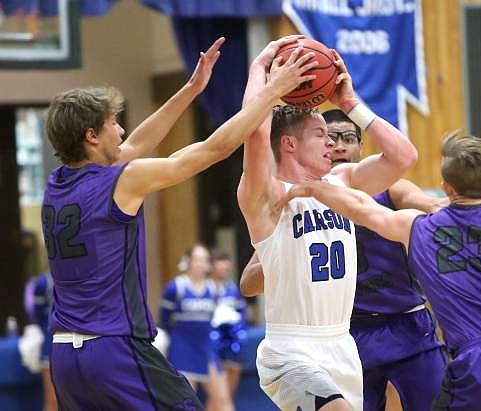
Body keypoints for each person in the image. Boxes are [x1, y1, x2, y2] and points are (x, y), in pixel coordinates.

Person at [40, 36, 317, 411]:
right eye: (112, 125)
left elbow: (135, 146)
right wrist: (274, 90)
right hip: (114, 349)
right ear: (91, 137)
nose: (121, 131)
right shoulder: (120, 181)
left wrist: (190, 89)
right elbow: (214, 148)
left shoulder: (55, 185)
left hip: (65, 357)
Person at [277, 131, 481, 411]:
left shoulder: (417, 229)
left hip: (476, 366)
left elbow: (362, 208)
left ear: (446, 187)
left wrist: (312, 187)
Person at [240, 110, 481, 411]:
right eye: (328, 137)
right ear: (293, 144)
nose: (338, 145)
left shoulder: (380, 191)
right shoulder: (286, 202)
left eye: (348, 138)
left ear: (362, 147)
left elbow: (434, 206)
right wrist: (289, 257)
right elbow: (248, 282)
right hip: (348, 330)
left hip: (404, 321)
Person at [237, 35, 418, 411]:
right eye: (321, 135)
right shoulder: (267, 195)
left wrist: (350, 103)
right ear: (288, 144)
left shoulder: (342, 183)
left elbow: (403, 156)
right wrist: (262, 75)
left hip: (341, 344)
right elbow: (254, 132)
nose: (332, 145)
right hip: (291, 349)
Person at [159, 244, 233, 411]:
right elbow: (163, 321)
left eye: (205, 260)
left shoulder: (213, 290)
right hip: (182, 350)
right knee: (186, 404)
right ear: (188, 262)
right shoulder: (175, 288)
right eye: (197, 260)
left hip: (206, 350)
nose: (201, 264)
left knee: (224, 401)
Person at [208, 249, 248, 400]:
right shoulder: (206, 288)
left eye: (226, 262)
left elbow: (242, 312)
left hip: (233, 342)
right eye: (220, 262)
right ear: (211, 265)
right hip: (212, 343)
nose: (225, 266)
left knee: (228, 394)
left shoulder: (232, 288)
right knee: (219, 395)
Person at [19, 272, 57, 411]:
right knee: (53, 400)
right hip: (49, 347)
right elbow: (36, 316)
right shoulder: (42, 282)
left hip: (73, 345)